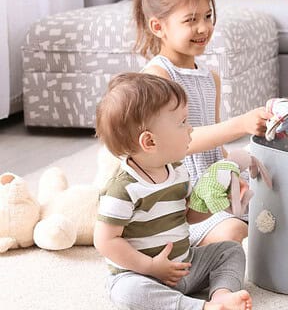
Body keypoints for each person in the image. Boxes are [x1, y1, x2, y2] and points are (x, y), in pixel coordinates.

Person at [132, 0, 272, 246]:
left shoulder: (211, 78)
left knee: (275, 209)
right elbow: (174, 144)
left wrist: (233, 173)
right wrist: (240, 125)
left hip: (212, 186)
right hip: (181, 201)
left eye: (208, 17)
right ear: (158, 27)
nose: (203, 28)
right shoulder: (157, 77)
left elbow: (214, 148)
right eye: (190, 20)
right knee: (235, 232)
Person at [93, 72, 252, 310]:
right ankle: (197, 307)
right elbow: (105, 241)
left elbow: (189, 215)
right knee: (126, 292)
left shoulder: (177, 170)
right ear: (150, 142)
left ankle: (221, 295)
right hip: (142, 274)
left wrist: (217, 200)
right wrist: (150, 267)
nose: (190, 130)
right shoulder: (122, 189)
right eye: (182, 123)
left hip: (184, 265)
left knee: (230, 251)